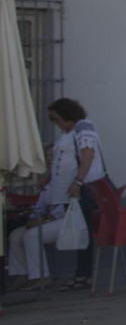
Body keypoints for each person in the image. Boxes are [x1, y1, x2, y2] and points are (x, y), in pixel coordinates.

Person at [6, 98, 102, 292]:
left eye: (56, 117)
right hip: (66, 193)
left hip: (80, 191)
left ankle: (84, 274)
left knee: (80, 231)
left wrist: (78, 181)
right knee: (74, 232)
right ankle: (80, 273)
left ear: (67, 114)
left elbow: (87, 155)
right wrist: (50, 178)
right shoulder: (66, 134)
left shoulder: (83, 127)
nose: (54, 122)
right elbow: (63, 161)